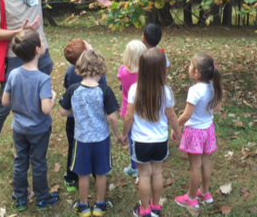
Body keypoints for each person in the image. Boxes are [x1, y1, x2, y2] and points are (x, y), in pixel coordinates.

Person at [0, 0, 112, 179]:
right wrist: (22, 31)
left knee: (42, 101)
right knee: (3, 106)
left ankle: (36, 145)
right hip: (15, 59)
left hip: (42, 56)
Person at [1, 30, 59, 212]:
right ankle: (42, 198)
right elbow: (46, 108)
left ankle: (20, 198)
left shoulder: (14, 74)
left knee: (20, 161)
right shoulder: (43, 79)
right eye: (41, 41)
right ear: (37, 50)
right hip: (39, 130)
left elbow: (4, 102)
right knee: (38, 162)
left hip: (19, 128)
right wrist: (53, 98)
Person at [120, 48, 182, 217]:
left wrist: (124, 134)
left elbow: (129, 116)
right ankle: (155, 206)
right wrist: (177, 130)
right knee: (157, 173)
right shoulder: (166, 91)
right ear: (162, 69)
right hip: (160, 141)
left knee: (144, 175)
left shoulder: (134, 89)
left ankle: (144, 209)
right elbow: (171, 115)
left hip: (141, 142)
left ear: (142, 68)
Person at [59, 50, 119, 217]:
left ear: (79, 69)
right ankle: (100, 205)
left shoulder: (73, 89)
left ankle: (84, 206)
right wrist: (115, 134)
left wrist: (77, 108)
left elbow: (63, 112)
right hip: (101, 140)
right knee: (101, 173)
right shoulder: (104, 91)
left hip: (81, 140)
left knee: (83, 174)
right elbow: (112, 118)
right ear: (100, 71)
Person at [174, 53, 223, 210]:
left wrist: (176, 126)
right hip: (208, 130)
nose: (189, 68)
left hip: (195, 132)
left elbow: (187, 114)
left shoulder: (195, 90)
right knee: (205, 162)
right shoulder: (213, 87)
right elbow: (217, 108)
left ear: (197, 73)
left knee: (195, 166)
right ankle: (205, 192)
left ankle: (191, 198)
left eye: (190, 65)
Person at [62, 38, 108, 191]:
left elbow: (67, 89)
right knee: (95, 147)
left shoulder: (70, 71)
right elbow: (103, 91)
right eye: (88, 45)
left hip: (73, 119)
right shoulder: (98, 72)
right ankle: (97, 173)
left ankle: (71, 177)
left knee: (74, 148)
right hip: (95, 118)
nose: (90, 44)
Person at [118, 40, 147, 178]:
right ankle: (145, 161)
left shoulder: (123, 71)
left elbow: (120, 79)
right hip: (144, 110)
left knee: (132, 140)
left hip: (128, 110)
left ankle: (134, 166)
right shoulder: (146, 74)